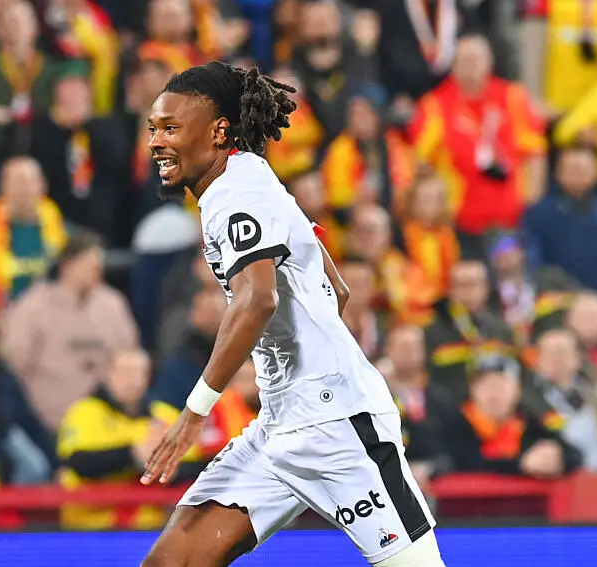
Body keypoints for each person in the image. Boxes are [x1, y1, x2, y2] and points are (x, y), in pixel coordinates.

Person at [140, 61, 443, 567]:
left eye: (171, 128)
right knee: (173, 562)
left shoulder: (235, 193)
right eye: (153, 128)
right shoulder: (249, 178)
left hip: (338, 426)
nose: (156, 142)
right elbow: (336, 289)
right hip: (282, 423)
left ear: (218, 132)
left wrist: (194, 414)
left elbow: (258, 299)